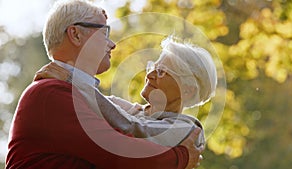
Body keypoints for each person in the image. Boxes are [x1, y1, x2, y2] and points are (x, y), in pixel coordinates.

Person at [5, 0, 203, 169]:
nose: (112, 44)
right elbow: (118, 149)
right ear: (75, 34)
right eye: (104, 32)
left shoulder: (73, 94)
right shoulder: (50, 93)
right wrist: (181, 157)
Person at [35, 36, 217, 148]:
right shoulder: (123, 108)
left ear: (187, 89)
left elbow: (134, 128)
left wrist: (73, 81)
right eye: (153, 66)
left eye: (161, 71)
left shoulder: (189, 130)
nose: (150, 74)